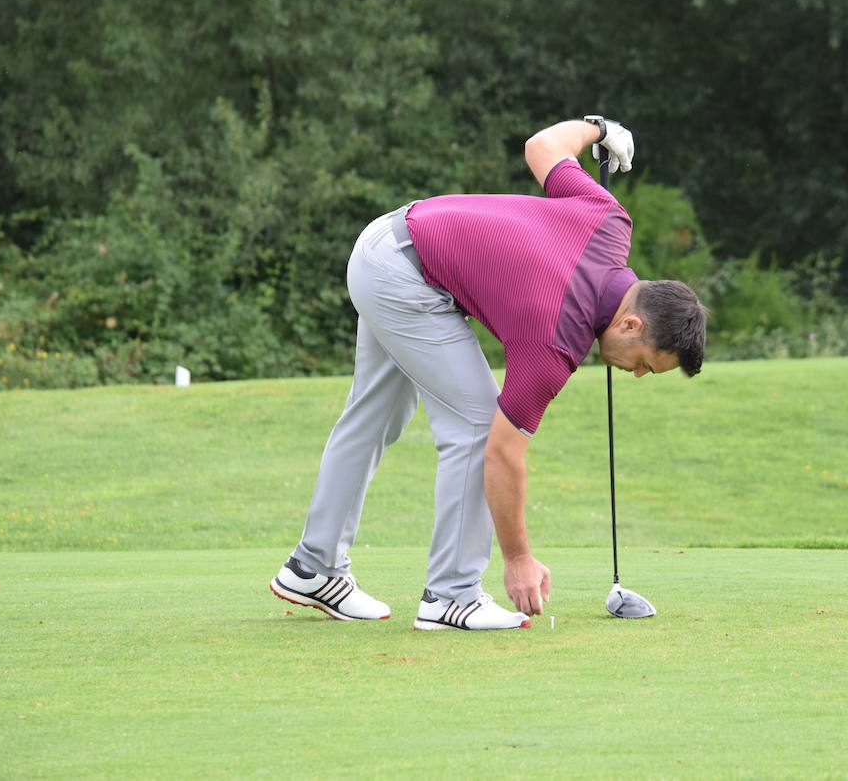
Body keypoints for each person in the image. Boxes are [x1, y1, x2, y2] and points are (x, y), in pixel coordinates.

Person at [268, 116, 707, 630]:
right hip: (403, 274)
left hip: (388, 243)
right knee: (477, 426)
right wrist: (518, 558)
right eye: (644, 365)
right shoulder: (554, 343)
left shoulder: (610, 219)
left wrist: (597, 129)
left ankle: (312, 566)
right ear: (631, 323)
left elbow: (543, 145)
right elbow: (500, 453)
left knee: (375, 417)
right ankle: (451, 595)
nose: (634, 375)